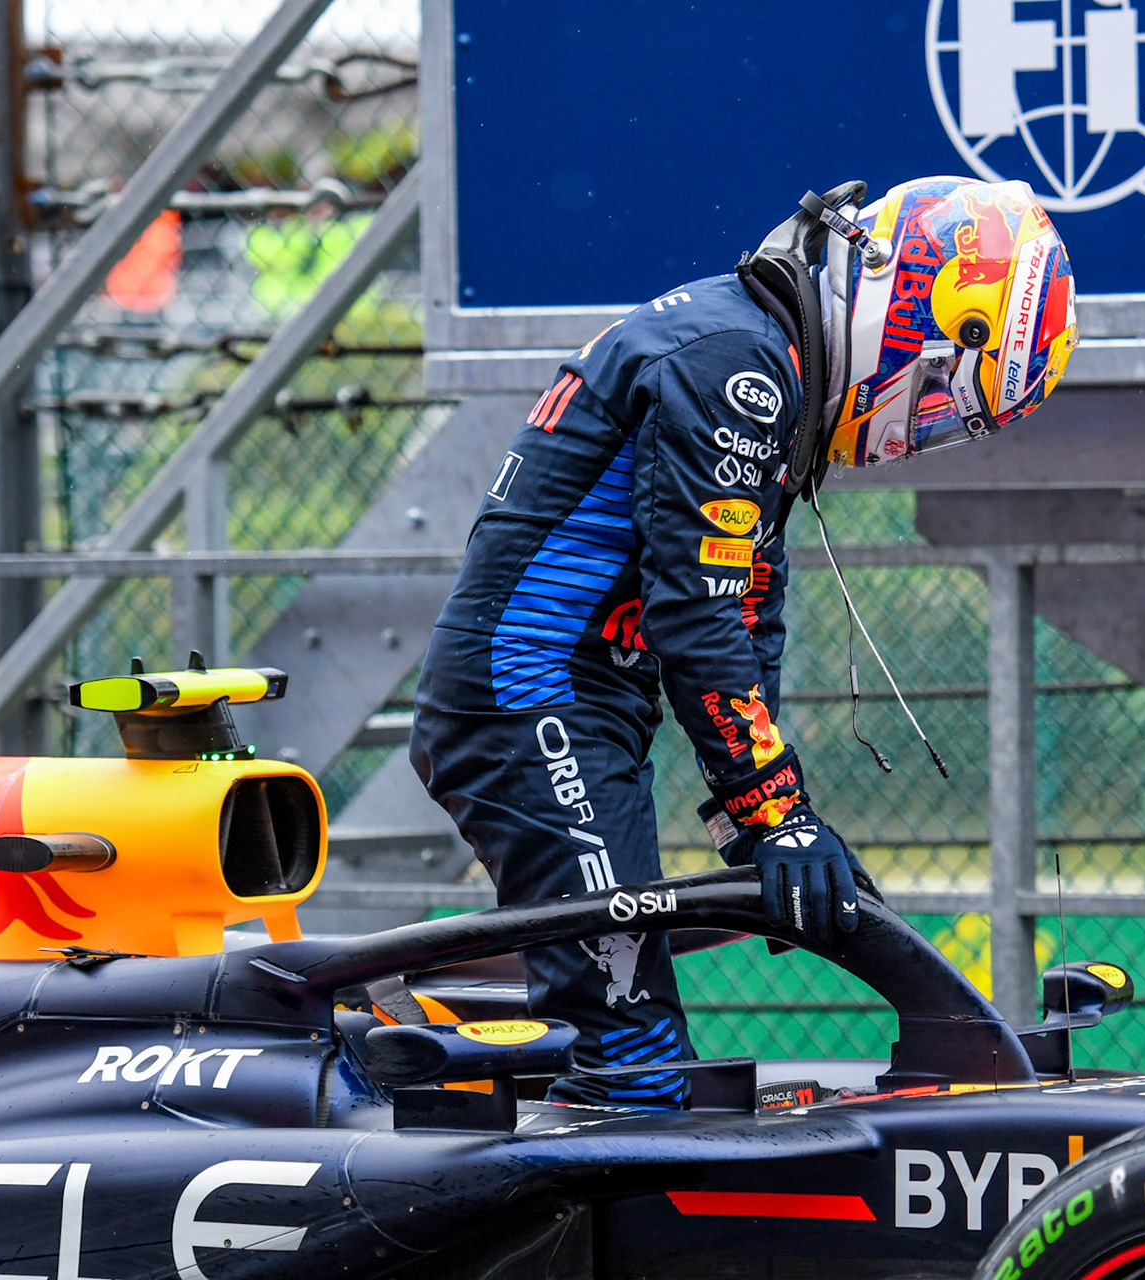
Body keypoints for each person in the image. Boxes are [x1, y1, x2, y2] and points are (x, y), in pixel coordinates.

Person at [409, 176, 1078, 1106]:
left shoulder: (769, 365)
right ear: (912, 308)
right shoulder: (741, 367)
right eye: (934, 393)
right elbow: (697, 614)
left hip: (573, 702)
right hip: (528, 700)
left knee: (621, 997)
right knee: (634, 1059)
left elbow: (747, 604)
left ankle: (478, 1032)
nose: (914, 429)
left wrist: (760, 825)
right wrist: (776, 816)